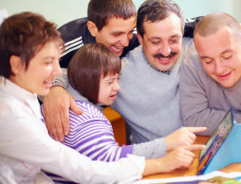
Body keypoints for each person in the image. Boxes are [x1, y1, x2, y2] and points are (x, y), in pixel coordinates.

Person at [43, 0, 241, 142]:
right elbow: (71, 75)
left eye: (173, 39)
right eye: (155, 42)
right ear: (139, 38)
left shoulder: (198, 46)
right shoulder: (118, 71)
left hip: (223, 146)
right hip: (166, 163)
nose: (166, 51)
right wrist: (55, 88)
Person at [0, 12, 200, 184]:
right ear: (16, 65)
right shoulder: (11, 117)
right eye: (47, 62)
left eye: (56, 60)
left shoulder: (26, 91)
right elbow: (83, 169)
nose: (56, 72)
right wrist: (162, 162)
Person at [43, 43, 205, 183]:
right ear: (88, 80)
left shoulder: (75, 102)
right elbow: (111, 160)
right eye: (110, 82)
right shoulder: (84, 117)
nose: (117, 87)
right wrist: (166, 146)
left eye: (117, 80)